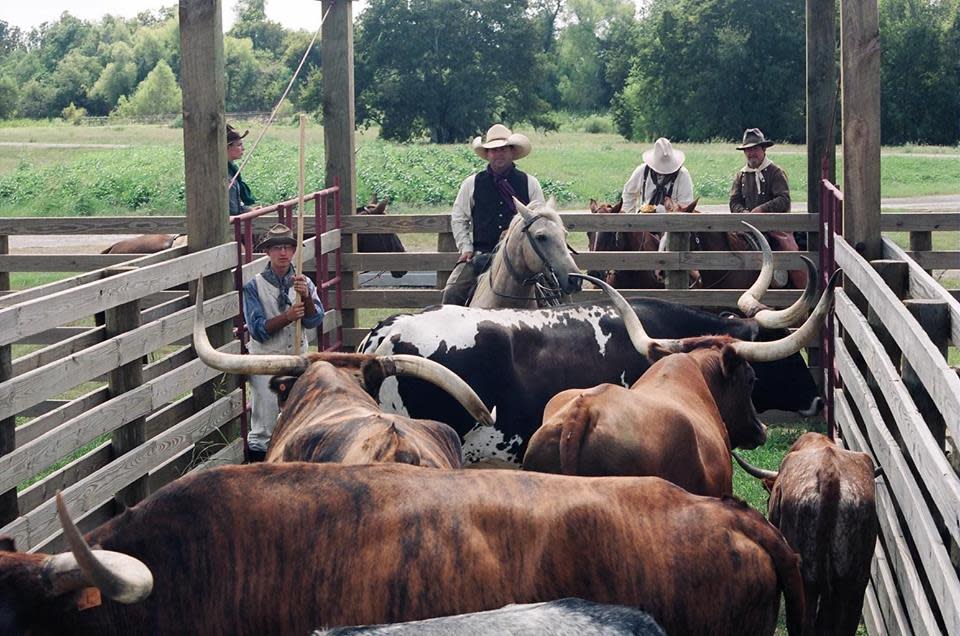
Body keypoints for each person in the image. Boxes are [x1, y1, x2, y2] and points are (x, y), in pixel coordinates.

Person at [242, 224, 324, 462]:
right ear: (267, 252)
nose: (283, 253)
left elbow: (314, 320)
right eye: (277, 247)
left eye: (288, 247)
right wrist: (287, 317)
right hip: (265, 360)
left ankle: (295, 464)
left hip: (297, 359)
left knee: (301, 415)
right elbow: (257, 330)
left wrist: (306, 297)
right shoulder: (254, 286)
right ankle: (260, 467)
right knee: (265, 421)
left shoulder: (303, 283)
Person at [441, 123, 546, 305]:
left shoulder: (530, 183)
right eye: (493, 150)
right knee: (452, 292)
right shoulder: (472, 184)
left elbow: (541, 222)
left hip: (522, 257)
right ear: (487, 154)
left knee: (555, 292)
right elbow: (459, 218)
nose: (498, 154)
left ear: (512, 152)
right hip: (482, 256)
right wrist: (466, 248)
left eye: (503, 149)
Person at [728, 127, 805, 288]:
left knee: (791, 254)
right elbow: (734, 201)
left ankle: (802, 292)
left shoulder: (776, 172)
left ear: (763, 149)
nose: (751, 153)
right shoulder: (741, 175)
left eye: (755, 149)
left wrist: (762, 210)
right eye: (748, 150)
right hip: (747, 226)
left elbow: (784, 200)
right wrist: (745, 214)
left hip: (774, 227)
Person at [621, 137, 695, 213]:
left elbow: (686, 206)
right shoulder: (642, 171)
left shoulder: (682, 174)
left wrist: (673, 206)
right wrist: (630, 216)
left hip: (673, 222)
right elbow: (629, 193)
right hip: (644, 221)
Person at [227, 124, 256, 216]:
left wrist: (248, 210)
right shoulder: (222, 174)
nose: (243, 149)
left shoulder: (232, 171)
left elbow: (233, 205)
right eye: (239, 145)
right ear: (227, 147)